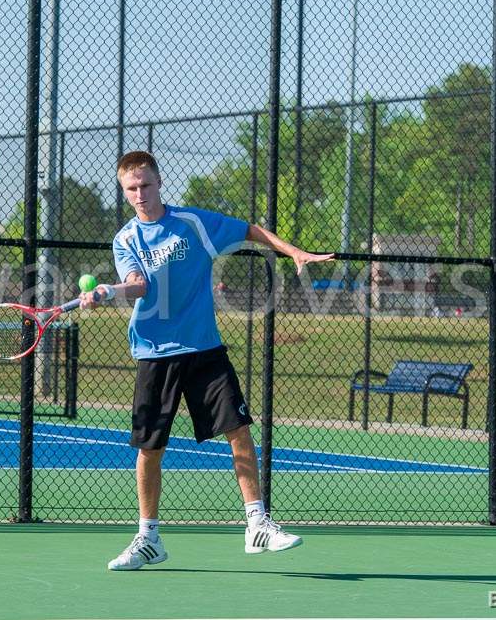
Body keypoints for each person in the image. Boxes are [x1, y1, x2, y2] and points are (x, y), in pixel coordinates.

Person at [80, 150, 334, 571]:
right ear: (124, 193)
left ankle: (257, 523)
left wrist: (295, 253)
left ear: (159, 182)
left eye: (145, 185)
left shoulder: (193, 223)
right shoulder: (125, 239)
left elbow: (250, 230)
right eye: (132, 189)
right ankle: (148, 539)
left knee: (238, 430)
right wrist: (110, 291)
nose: (140, 194)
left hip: (204, 348)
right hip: (155, 352)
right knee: (150, 449)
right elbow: (138, 285)